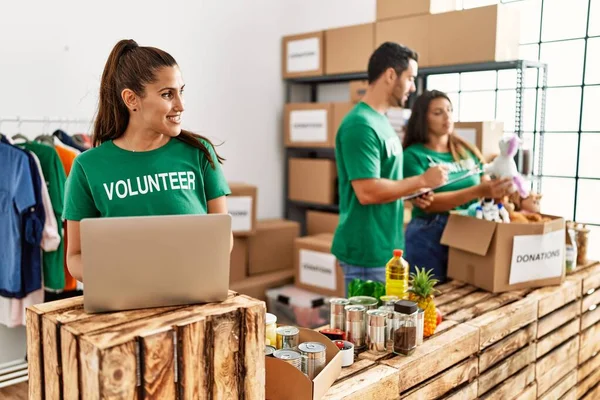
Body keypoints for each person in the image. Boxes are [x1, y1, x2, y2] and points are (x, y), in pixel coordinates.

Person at [63, 39, 232, 282]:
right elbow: (75, 257)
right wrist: (128, 278)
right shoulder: (87, 167)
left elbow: (222, 238)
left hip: (192, 297)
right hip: (124, 305)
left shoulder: (200, 153)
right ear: (131, 99)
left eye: (181, 91)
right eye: (167, 94)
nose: (181, 105)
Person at [331, 42, 448, 296]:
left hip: (387, 249)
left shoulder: (381, 121)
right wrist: (421, 180)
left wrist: (411, 194)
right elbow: (368, 192)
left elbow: (385, 183)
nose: (413, 87)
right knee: (365, 336)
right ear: (391, 75)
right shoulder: (360, 125)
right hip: (366, 254)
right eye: (410, 78)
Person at [403, 90, 513, 282]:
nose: (447, 117)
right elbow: (429, 203)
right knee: (430, 299)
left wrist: (500, 191)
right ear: (423, 119)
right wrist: (478, 191)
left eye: (450, 110)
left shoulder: (465, 150)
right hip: (428, 236)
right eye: (438, 113)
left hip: (466, 230)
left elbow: (483, 183)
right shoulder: (413, 156)